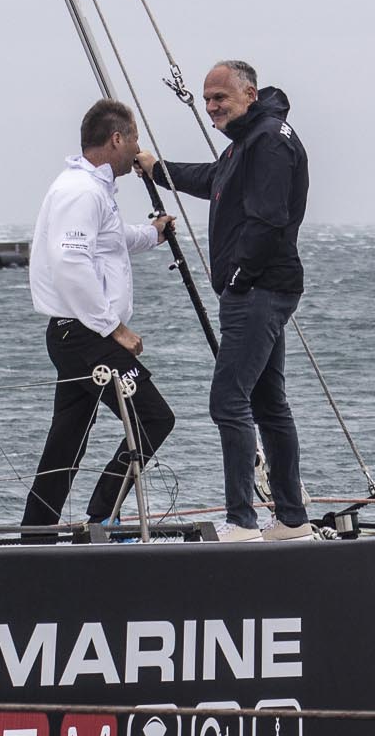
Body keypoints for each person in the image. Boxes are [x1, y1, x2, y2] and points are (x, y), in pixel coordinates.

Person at [138, 60, 311, 543]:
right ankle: (291, 521)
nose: (212, 106)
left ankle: (241, 522)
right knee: (268, 403)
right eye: (208, 98)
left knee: (229, 400)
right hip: (264, 288)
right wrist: (157, 170)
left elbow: (268, 219)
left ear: (249, 95)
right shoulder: (249, 141)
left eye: (221, 98)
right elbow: (215, 179)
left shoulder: (268, 141)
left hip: (257, 291)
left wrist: (236, 278)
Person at [21, 98, 177, 534]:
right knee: (154, 418)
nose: (138, 150)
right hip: (87, 336)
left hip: (74, 335)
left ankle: (34, 535)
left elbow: (109, 239)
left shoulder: (91, 189)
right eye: (135, 140)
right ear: (116, 139)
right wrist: (115, 328)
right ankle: (104, 512)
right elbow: (71, 262)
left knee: (67, 440)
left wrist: (152, 235)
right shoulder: (82, 192)